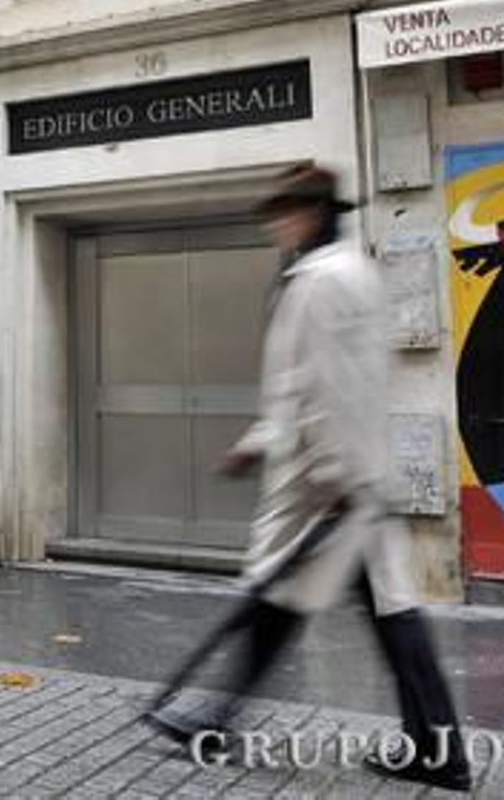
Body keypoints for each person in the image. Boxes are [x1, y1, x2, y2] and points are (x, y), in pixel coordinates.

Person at [155, 164, 471, 793]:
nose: (279, 222)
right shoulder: (349, 273)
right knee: (368, 609)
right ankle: (435, 749)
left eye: (289, 211)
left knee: (330, 606)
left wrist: (332, 477)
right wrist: (259, 444)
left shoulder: (321, 281)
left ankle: (438, 751)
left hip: (327, 486)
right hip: (345, 480)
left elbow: (327, 389)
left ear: (317, 213)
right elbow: (308, 387)